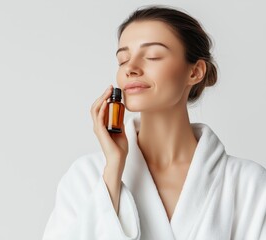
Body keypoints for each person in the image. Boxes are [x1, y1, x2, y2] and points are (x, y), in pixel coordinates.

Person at [42, 5, 266, 240]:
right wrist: (113, 173)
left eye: (153, 56)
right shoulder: (86, 176)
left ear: (195, 72)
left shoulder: (249, 184)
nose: (131, 68)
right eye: (123, 59)